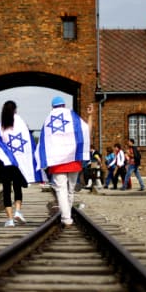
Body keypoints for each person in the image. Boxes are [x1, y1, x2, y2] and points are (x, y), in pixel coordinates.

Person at [35, 96, 90, 227]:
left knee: (61, 190)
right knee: (70, 191)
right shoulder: (73, 116)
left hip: (57, 163)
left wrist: (43, 160)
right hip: (73, 162)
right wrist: (90, 116)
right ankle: (68, 214)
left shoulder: (48, 120)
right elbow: (85, 130)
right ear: (64, 105)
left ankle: (66, 218)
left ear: (53, 107)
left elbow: (44, 141)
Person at [0, 100, 40, 226]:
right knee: (17, 187)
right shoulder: (21, 123)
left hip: (5, 163)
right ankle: (18, 211)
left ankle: (10, 219)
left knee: (6, 190)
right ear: (15, 110)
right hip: (19, 163)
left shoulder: (0, 126)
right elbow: (28, 141)